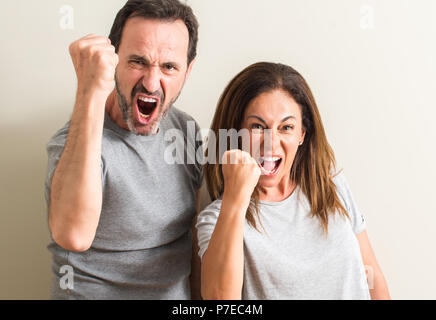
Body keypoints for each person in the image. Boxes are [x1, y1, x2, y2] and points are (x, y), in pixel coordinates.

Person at [45, 0, 202, 299]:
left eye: (169, 67)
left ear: (188, 71)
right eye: (137, 62)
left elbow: (191, 240)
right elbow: (72, 235)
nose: (151, 82)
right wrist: (89, 90)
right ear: (113, 60)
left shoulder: (186, 131)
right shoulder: (74, 142)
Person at [196, 62, 390, 300]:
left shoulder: (333, 187)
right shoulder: (218, 219)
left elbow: (373, 281)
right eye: (258, 126)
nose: (271, 142)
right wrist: (236, 197)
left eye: (286, 127)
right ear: (235, 134)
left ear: (302, 135)